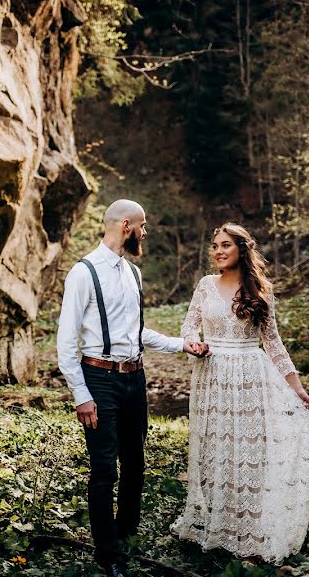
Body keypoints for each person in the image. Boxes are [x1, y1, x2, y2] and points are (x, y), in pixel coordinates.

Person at [57, 199, 210, 577]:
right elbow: (65, 342)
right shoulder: (83, 272)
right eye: (143, 226)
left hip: (134, 379)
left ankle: (126, 535)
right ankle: (108, 555)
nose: (146, 232)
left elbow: (134, 331)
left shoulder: (133, 273)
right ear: (127, 225)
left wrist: (181, 344)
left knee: (136, 464)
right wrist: (82, 395)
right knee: (104, 469)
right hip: (99, 381)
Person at [171, 222, 309, 565]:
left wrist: (296, 386)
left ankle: (248, 531)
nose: (218, 251)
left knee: (247, 451)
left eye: (226, 245)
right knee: (214, 450)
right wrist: (194, 344)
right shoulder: (205, 286)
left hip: (251, 376)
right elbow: (189, 326)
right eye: (215, 245)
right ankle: (218, 527)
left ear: (241, 250)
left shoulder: (260, 289)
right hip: (211, 376)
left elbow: (273, 342)